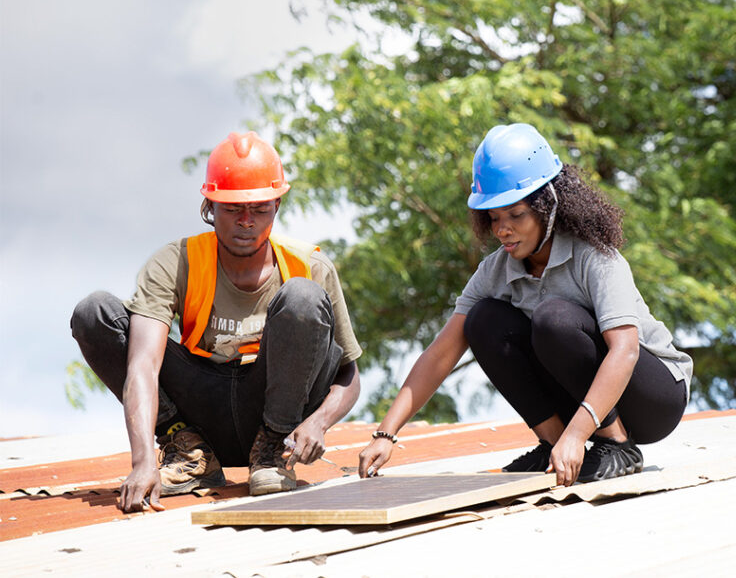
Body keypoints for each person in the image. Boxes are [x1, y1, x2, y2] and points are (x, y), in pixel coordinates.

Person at [358, 123, 692, 486]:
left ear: (547, 205)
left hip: (653, 398)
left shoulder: (594, 257)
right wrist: (385, 433)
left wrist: (578, 436)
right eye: (494, 217)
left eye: (515, 215)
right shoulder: (495, 270)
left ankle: (618, 445)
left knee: (554, 318)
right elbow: (441, 353)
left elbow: (625, 351)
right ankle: (551, 443)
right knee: (482, 320)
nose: (502, 229)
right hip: (584, 404)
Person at [71, 131, 362, 512]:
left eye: (259, 209)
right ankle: (189, 453)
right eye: (232, 209)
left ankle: (271, 454)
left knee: (303, 297)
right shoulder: (176, 262)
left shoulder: (309, 267)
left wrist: (318, 422)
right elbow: (143, 364)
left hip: (274, 414)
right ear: (209, 205)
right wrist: (142, 461)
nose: (246, 222)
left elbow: (348, 377)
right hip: (202, 407)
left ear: (276, 205)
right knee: (94, 313)